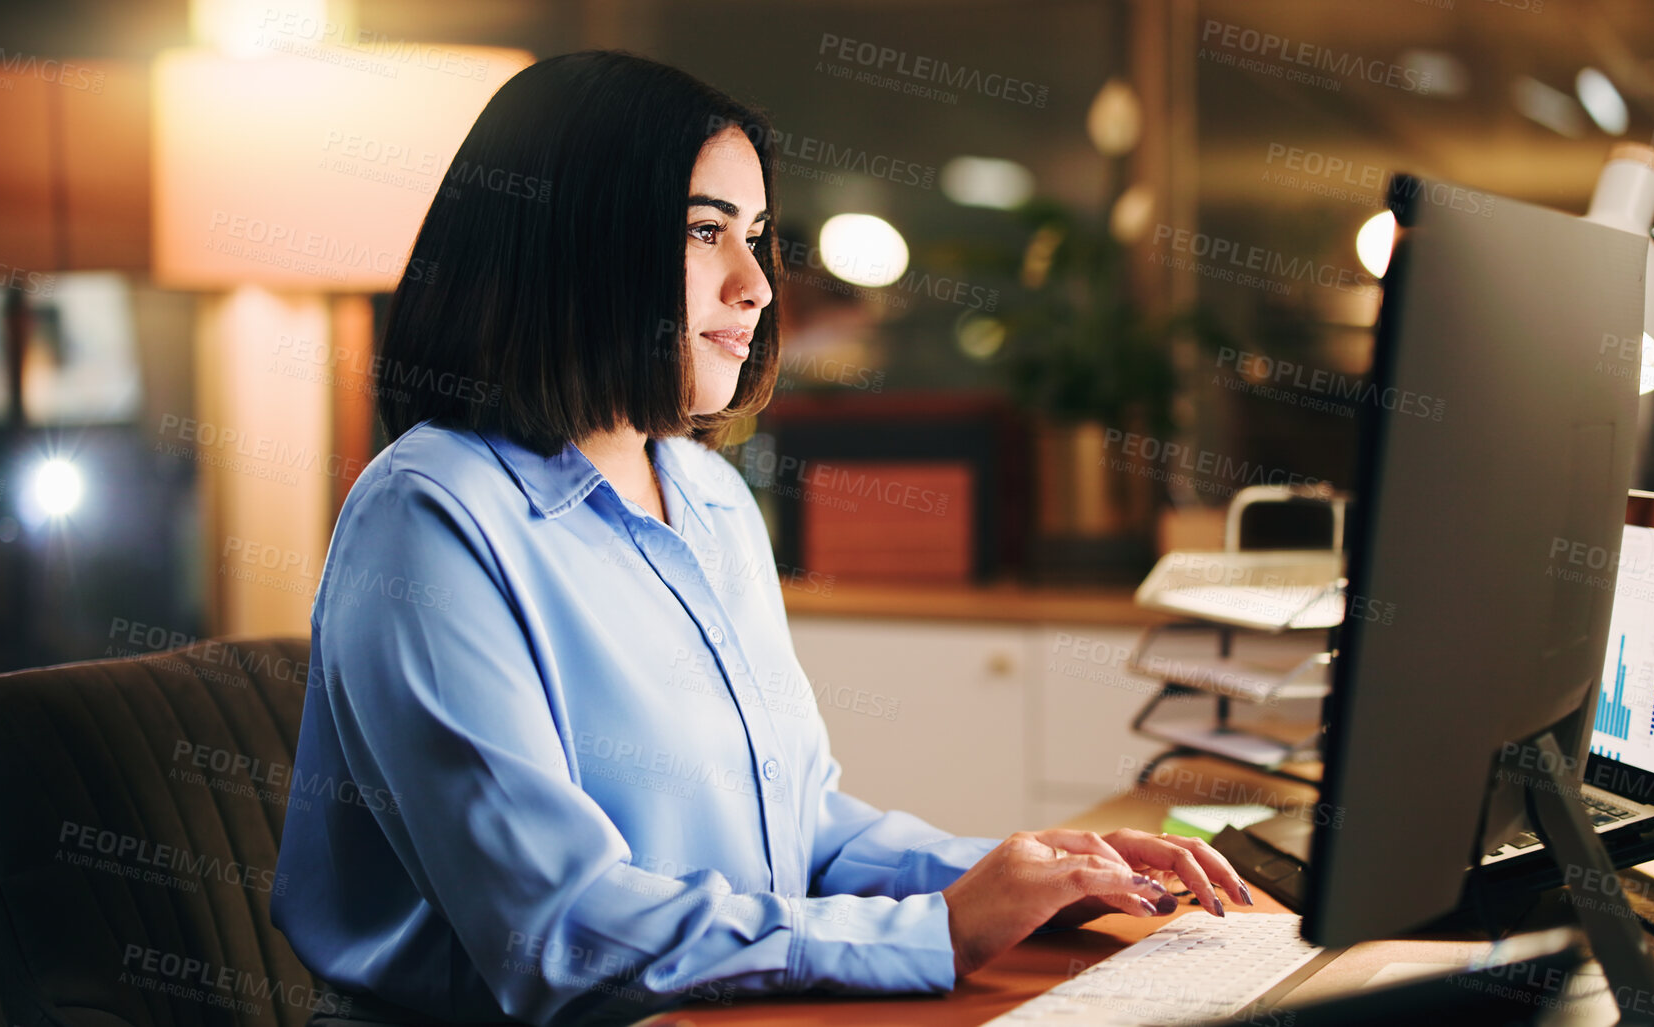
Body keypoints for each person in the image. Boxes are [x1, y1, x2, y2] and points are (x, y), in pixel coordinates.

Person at [272, 49, 1253, 1027]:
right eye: (706, 232)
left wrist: (1036, 874)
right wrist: (937, 931)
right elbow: (557, 929)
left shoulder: (706, 494)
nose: (759, 284)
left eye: (757, 235)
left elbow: (797, 830)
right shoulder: (430, 513)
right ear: (574, 244)